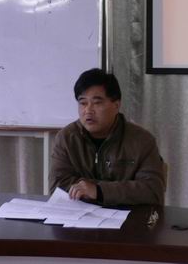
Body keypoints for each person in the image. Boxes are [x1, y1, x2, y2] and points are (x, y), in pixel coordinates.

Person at [49, 68, 165, 206]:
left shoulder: (142, 140)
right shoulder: (66, 138)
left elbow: (152, 191)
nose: (88, 110)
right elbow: (57, 187)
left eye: (97, 103)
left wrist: (99, 191)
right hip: (80, 216)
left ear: (116, 105)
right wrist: (108, 190)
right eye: (83, 103)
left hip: (129, 216)